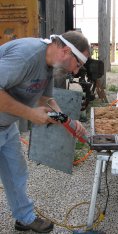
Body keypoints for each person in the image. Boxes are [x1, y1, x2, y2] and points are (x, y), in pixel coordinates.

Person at [0, 31, 90, 233]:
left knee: (17, 172)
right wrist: (30, 114)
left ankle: (24, 218)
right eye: (78, 65)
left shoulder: (48, 66)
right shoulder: (27, 55)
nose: (76, 72)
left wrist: (67, 120)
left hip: (5, 127)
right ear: (66, 51)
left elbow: (45, 100)